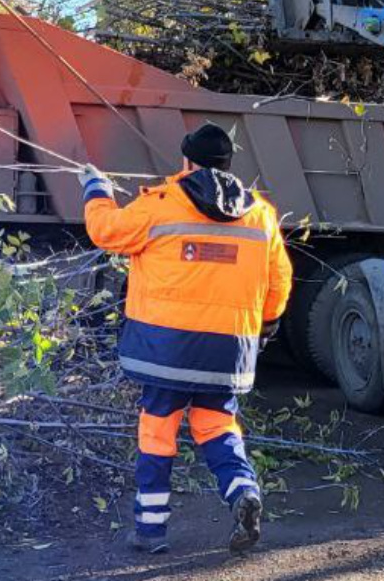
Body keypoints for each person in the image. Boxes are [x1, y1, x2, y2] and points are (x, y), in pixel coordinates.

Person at [80, 123, 293, 556]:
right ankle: (242, 492)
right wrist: (266, 326)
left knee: (158, 432)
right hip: (228, 351)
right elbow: (280, 282)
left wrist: (95, 189)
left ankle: (151, 530)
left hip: (165, 348)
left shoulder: (161, 204)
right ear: (229, 164)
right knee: (216, 425)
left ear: (186, 162)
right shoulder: (261, 215)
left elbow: (106, 232)